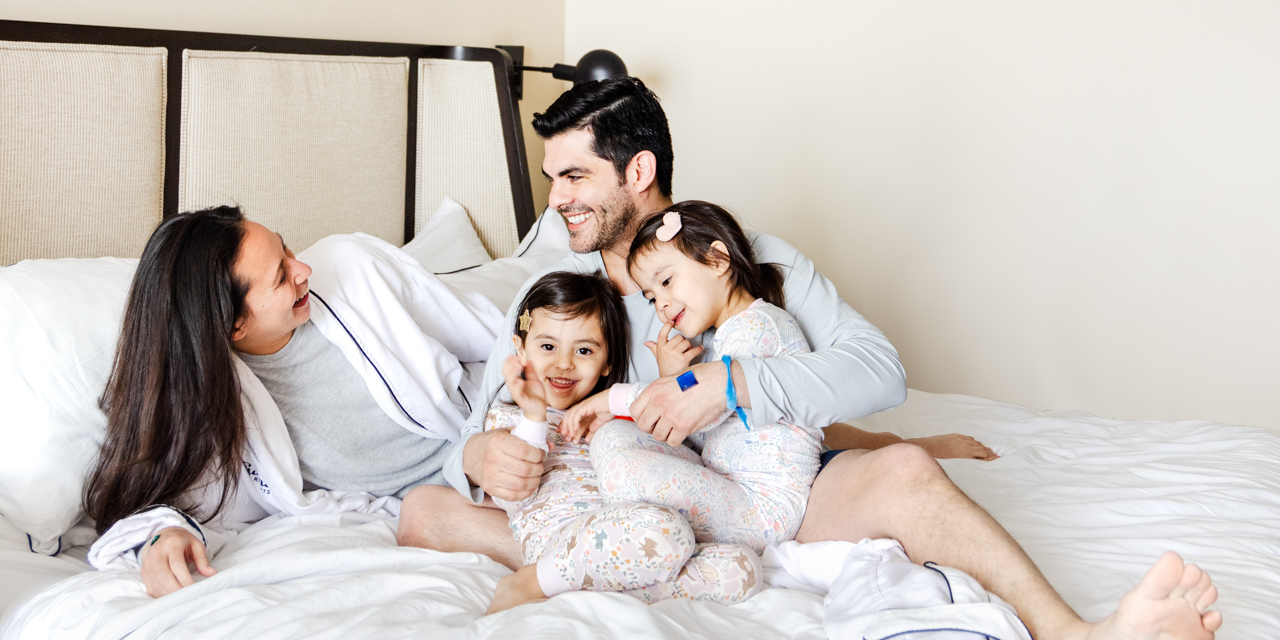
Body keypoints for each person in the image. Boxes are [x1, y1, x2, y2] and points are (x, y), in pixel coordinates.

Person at [398, 77, 1221, 639]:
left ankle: (1080, 632)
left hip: (756, 492)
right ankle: (606, 564)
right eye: (551, 179)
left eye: (574, 177)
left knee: (907, 474)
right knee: (430, 514)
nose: (558, 200)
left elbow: (880, 369)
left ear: (638, 171)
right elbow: (471, 430)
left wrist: (735, 381)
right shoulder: (553, 288)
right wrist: (478, 453)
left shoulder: (745, 258)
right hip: (604, 511)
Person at [84, 206, 501, 597]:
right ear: (233, 326)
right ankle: (561, 557)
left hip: (492, 435)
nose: (303, 270)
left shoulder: (353, 267)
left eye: (285, 250)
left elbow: (500, 341)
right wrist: (164, 534)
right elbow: (161, 499)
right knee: (422, 519)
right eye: (281, 277)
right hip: (436, 507)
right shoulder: (216, 405)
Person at [483, 271, 760, 614]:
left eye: (583, 350)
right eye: (548, 346)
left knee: (742, 569)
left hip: (634, 549)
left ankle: (595, 598)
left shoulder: (612, 414)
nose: (564, 363)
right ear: (520, 350)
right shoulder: (510, 416)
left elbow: (675, 453)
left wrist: (670, 381)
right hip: (567, 546)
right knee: (665, 531)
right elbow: (510, 494)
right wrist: (534, 416)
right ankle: (529, 583)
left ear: (607, 363)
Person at [560, 201, 822, 554]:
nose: (663, 305)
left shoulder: (760, 327)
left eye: (667, 281)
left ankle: (644, 552)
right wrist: (673, 379)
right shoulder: (722, 337)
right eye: (652, 297)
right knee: (612, 435)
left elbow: (699, 406)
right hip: (724, 480)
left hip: (762, 509)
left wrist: (613, 397)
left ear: (718, 260)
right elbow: (700, 423)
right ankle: (641, 538)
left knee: (624, 469)